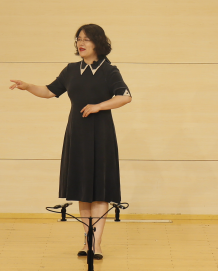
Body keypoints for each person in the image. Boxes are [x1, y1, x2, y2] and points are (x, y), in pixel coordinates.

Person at [9, 24, 132, 258]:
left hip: (101, 135)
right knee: (84, 190)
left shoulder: (109, 70)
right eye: (78, 39)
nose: (80, 43)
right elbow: (49, 91)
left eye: (86, 39)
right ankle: (87, 241)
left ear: (98, 42)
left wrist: (98, 106)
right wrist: (28, 87)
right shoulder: (71, 70)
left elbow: (125, 97)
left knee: (100, 191)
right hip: (77, 135)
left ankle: (96, 244)